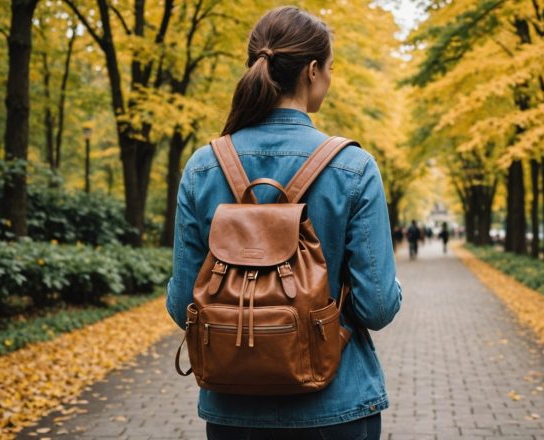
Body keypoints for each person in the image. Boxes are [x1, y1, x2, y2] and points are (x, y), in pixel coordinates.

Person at [165, 7, 402, 439]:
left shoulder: (203, 167)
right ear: (312, 70)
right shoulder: (353, 166)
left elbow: (183, 303)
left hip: (231, 410)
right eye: (329, 69)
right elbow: (378, 307)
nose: (328, 79)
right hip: (336, 404)